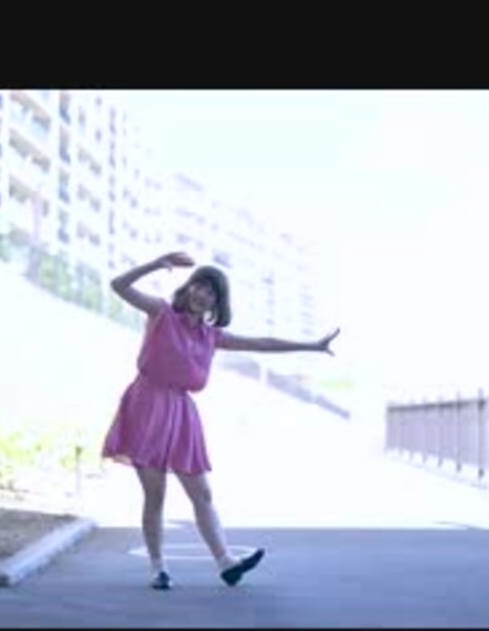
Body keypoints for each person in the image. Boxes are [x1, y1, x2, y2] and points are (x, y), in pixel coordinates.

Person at [102, 251, 340, 590]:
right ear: (188, 288)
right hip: (147, 404)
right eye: (199, 286)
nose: (203, 294)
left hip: (182, 413)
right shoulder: (161, 313)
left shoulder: (211, 336)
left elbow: (262, 343)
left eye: (211, 293)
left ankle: (226, 562)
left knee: (203, 493)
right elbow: (118, 285)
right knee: (155, 495)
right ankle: (158, 569)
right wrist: (156, 264)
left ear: (217, 303)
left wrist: (311, 346)